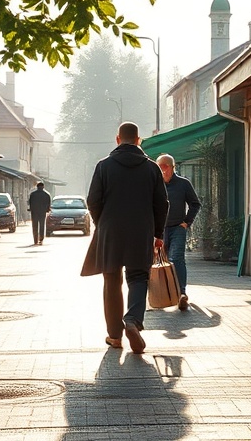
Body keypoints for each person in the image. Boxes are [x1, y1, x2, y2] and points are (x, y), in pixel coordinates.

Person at [81, 122, 168, 354]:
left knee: (111, 280)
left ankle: (115, 336)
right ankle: (132, 321)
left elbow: (93, 201)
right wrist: (158, 233)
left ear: (118, 139)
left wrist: (102, 223)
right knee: (138, 277)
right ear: (138, 140)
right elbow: (162, 204)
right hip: (141, 231)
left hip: (111, 231)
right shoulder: (152, 168)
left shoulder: (104, 166)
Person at [157, 153, 201, 311]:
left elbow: (195, 204)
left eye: (165, 167)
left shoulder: (183, 183)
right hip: (159, 229)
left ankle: (182, 293)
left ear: (172, 167)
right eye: (160, 168)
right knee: (158, 261)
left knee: (177, 258)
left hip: (177, 227)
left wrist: (187, 222)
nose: (163, 171)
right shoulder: (154, 184)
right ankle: (161, 294)